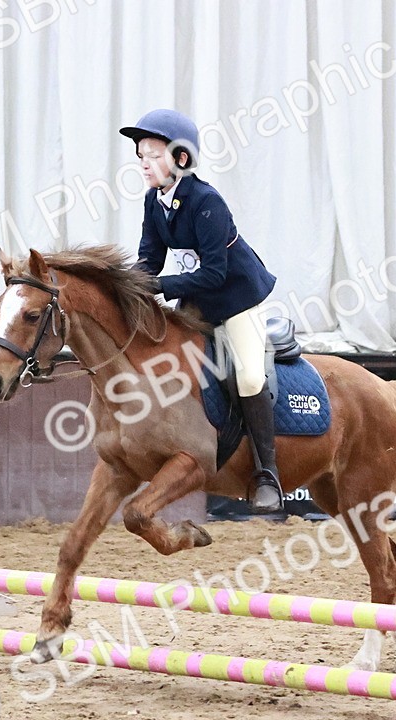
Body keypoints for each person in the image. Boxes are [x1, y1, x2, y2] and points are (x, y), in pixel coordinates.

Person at [119, 109, 283, 513]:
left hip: (237, 297)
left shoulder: (207, 202)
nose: (143, 162)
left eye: (153, 154)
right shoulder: (154, 201)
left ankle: (268, 473)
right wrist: (127, 288)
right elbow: (149, 259)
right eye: (140, 154)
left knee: (246, 374)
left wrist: (161, 287)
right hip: (199, 298)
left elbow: (214, 273)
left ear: (181, 159)